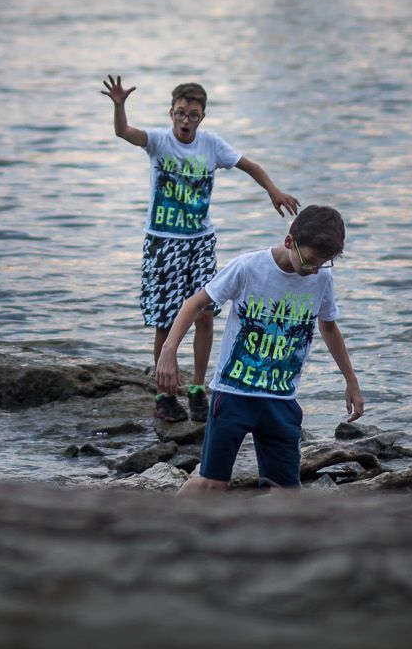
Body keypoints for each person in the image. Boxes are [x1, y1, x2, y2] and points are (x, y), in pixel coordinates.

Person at [102, 75, 299, 424]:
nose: (185, 120)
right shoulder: (159, 142)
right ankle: (164, 396)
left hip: (199, 242)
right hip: (162, 241)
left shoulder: (211, 145)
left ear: (202, 117)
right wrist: (119, 106)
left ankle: (196, 388)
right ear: (171, 113)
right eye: (180, 113)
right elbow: (123, 133)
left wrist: (274, 191)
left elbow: (249, 165)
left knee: (205, 314)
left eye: (193, 114)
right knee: (165, 319)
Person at [156, 205, 363, 493]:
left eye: (324, 263)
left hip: (281, 399)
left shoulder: (321, 278)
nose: (314, 270)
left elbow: (328, 326)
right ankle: (163, 522)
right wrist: (169, 351)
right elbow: (195, 302)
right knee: (212, 483)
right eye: (311, 261)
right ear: (290, 241)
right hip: (233, 394)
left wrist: (351, 380)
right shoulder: (248, 267)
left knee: (287, 492)